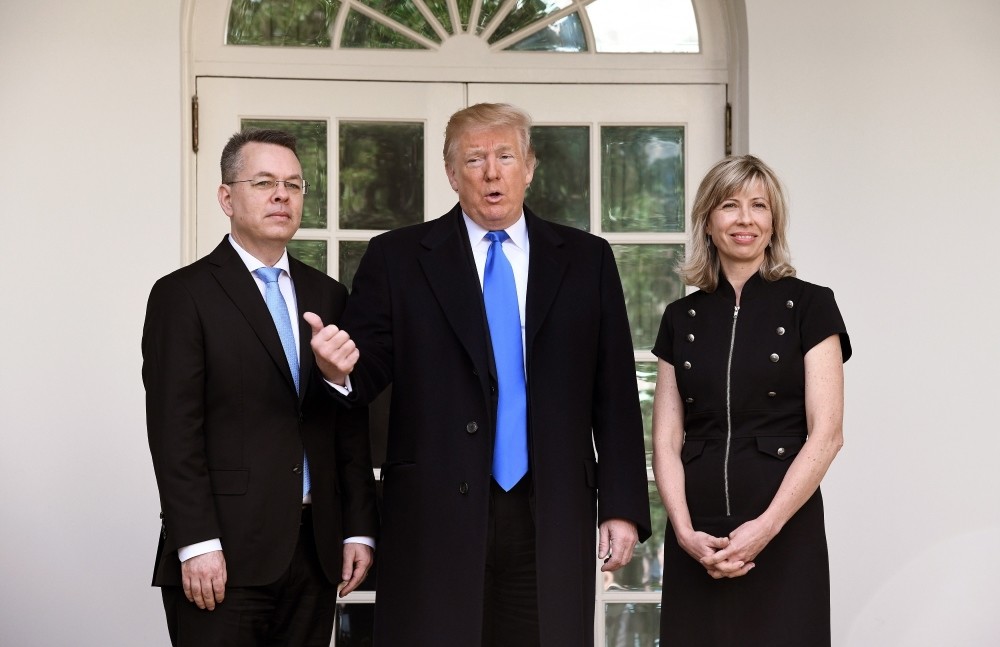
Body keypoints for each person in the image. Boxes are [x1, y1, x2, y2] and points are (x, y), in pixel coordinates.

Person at [307, 103, 652, 646]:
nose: (492, 173)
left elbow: (614, 393)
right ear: (451, 173)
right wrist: (337, 369)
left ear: (529, 167)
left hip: (551, 510)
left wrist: (623, 507)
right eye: (474, 160)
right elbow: (365, 370)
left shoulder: (587, 260)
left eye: (505, 157)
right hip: (434, 513)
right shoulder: (397, 257)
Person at [143, 128, 379, 647]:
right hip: (222, 553)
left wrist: (357, 527)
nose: (281, 195)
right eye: (265, 182)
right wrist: (196, 543)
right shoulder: (182, 295)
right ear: (226, 198)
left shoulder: (329, 295)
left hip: (315, 552)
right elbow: (174, 432)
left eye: (293, 185)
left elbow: (348, 422)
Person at [651, 155, 851, 645]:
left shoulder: (812, 305)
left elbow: (827, 435)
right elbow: (666, 440)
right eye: (729, 205)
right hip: (698, 536)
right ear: (707, 221)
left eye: (759, 206)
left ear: (774, 222)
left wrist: (765, 527)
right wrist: (683, 532)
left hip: (783, 529)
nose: (745, 219)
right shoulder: (679, 317)